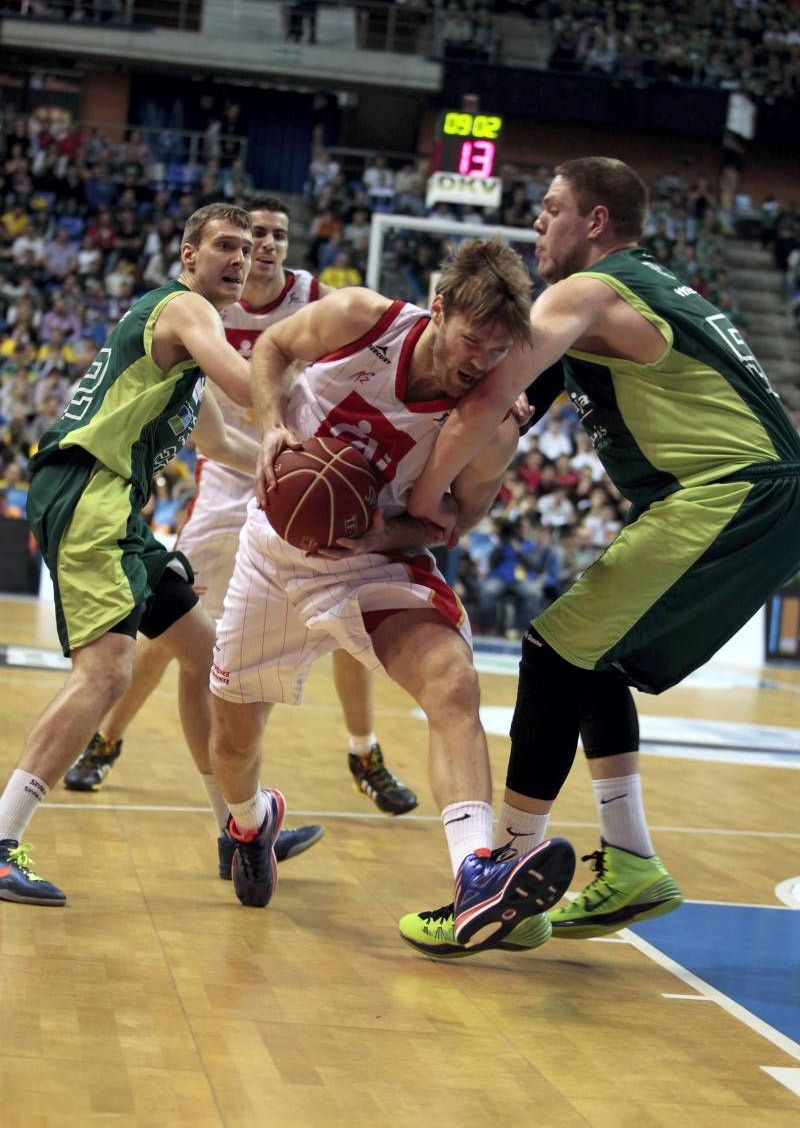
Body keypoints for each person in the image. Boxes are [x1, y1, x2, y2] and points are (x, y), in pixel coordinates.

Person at [403, 157, 800, 953]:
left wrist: (419, 502)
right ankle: (631, 860)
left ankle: (505, 881)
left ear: (594, 222)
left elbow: (486, 398)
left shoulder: (587, 291)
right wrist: (458, 510)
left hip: (736, 490)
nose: (537, 223)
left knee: (551, 650)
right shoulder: (620, 300)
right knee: (592, 659)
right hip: (749, 493)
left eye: (550, 209)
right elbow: (512, 419)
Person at [208, 237, 575, 946]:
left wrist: (379, 534)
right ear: (438, 310)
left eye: (498, 352)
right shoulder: (360, 317)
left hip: (372, 561)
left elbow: (459, 518)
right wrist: (273, 426)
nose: (481, 362)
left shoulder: (491, 427)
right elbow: (271, 351)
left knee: (453, 680)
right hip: (274, 551)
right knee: (233, 738)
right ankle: (252, 821)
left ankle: (474, 869)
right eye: (472, 342)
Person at [63, 197, 417, 850]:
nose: (267, 245)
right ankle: (107, 738)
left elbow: (387, 342)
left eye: (278, 234)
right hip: (230, 478)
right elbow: (216, 415)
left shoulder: (315, 298)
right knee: (173, 628)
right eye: (256, 234)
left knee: (348, 609)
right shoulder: (205, 308)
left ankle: (362, 751)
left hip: (303, 472)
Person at [0, 203, 264, 906]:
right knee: (107, 673)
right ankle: (0, 842)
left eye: (247, 249)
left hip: (115, 503)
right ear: (188, 256)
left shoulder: (185, 343)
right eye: (226, 247)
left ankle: (235, 829)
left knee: (204, 656)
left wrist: (286, 458)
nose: (240, 259)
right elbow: (249, 386)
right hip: (91, 489)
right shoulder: (184, 310)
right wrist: (326, 403)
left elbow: (224, 444)